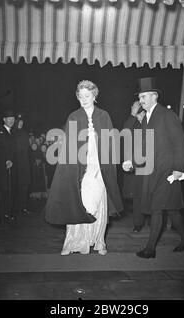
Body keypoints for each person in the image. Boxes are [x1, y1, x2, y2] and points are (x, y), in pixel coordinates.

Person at [45, 80, 123, 256]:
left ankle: (99, 242)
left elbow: (111, 143)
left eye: (87, 96)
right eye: (80, 97)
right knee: (80, 203)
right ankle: (74, 242)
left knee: (99, 204)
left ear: (94, 95)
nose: (84, 99)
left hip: (100, 167)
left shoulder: (104, 116)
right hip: (80, 169)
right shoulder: (73, 116)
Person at [123, 77, 184, 258]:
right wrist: (132, 161)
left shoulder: (166, 115)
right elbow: (144, 147)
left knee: (157, 207)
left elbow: (181, 143)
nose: (140, 101)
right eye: (140, 97)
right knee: (171, 209)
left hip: (167, 171)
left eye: (143, 97)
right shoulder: (146, 118)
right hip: (152, 171)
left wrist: (179, 169)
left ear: (154, 96)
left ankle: (150, 248)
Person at [122, 101, 146, 232]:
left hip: (152, 163)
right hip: (138, 165)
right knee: (138, 195)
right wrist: (132, 116)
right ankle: (138, 223)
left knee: (156, 194)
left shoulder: (151, 120)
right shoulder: (133, 122)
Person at [0, 109, 17, 221]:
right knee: (4, 190)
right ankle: (4, 212)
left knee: (11, 188)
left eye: (13, 119)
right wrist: (6, 160)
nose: (11, 121)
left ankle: (9, 211)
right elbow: (0, 149)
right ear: (4, 119)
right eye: (9, 119)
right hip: (3, 165)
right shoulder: (0, 131)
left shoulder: (13, 132)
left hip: (12, 165)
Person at [13, 115, 31, 215]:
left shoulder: (24, 133)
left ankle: (23, 207)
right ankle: (17, 207)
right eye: (19, 122)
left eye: (22, 122)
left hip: (25, 162)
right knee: (17, 186)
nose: (21, 124)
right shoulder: (13, 133)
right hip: (17, 163)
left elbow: (27, 148)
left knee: (25, 185)